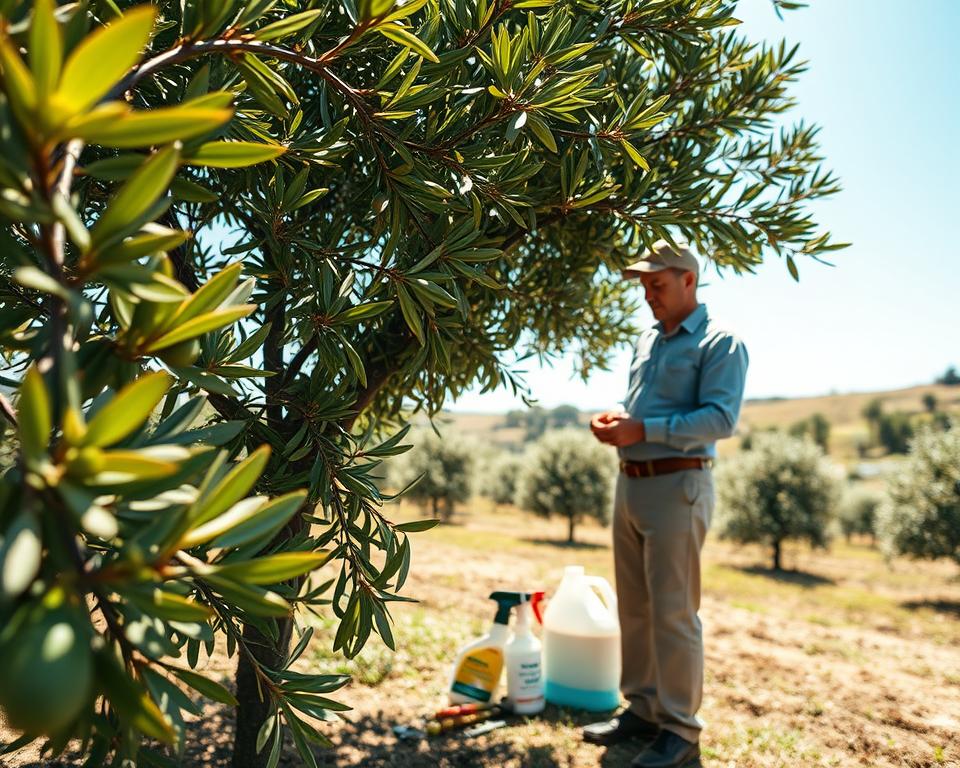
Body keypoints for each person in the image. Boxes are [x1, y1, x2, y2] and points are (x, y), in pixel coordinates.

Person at [584, 240, 748, 768]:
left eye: (656, 284)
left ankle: (680, 729)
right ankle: (643, 708)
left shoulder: (721, 344)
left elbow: (720, 420)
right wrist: (616, 419)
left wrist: (643, 429)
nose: (647, 295)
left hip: (679, 487)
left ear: (687, 281)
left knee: (674, 613)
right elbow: (638, 408)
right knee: (634, 605)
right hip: (630, 483)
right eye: (643, 285)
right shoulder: (647, 341)